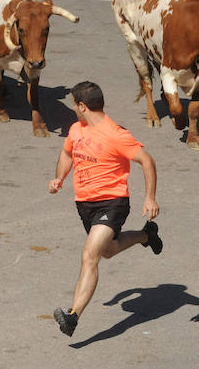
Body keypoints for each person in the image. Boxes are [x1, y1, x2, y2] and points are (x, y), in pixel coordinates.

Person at [49, 81, 161, 338]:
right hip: (85, 204)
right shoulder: (76, 129)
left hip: (113, 202)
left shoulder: (116, 134)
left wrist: (150, 198)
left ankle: (72, 316)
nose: (73, 111)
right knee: (108, 251)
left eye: (74, 106)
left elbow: (147, 161)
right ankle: (146, 235)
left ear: (82, 105)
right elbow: (67, 154)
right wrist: (59, 178)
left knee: (90, 255)